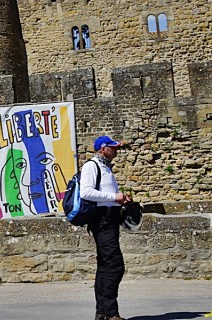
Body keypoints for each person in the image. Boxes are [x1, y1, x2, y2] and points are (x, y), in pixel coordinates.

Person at [81, 135, 133, 320]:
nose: (116, 150)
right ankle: (111, 313)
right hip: (101, 220)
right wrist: (114, 198)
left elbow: (106, 195)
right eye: (113, 148)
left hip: (109, 219)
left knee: (104, 266)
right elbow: (86, 192)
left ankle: (102, 313)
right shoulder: (91, 166)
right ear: (103, 148)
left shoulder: (106, 168)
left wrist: (121, 199)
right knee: (115, 265)